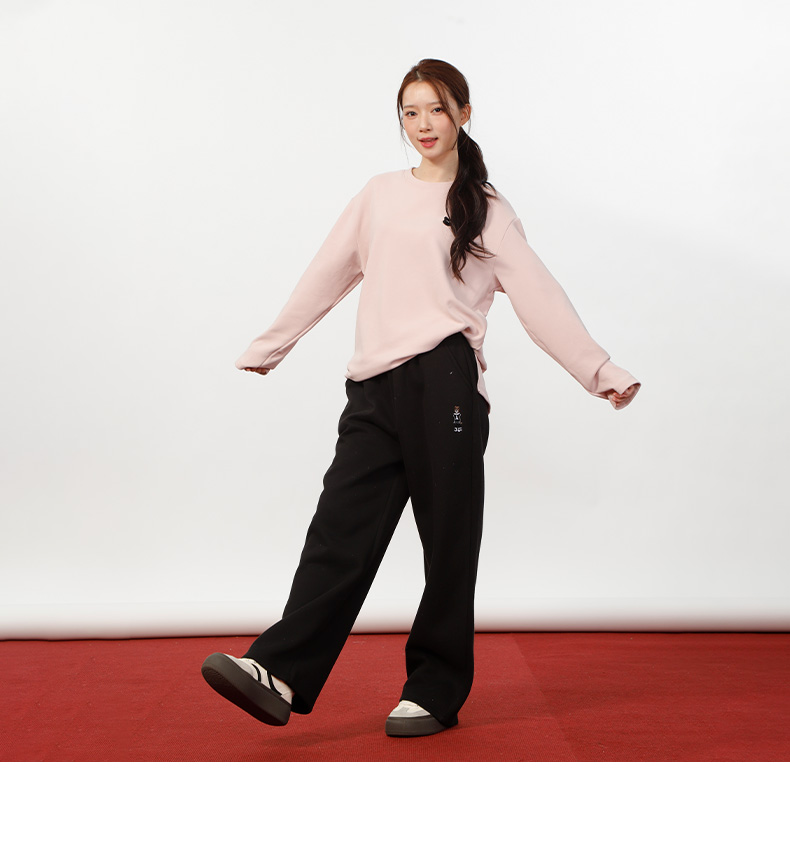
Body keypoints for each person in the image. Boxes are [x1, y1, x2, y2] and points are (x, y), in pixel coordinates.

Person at [201, 58, 641, 738]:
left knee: (447, 541)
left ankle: (435, 689)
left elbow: (539, 297)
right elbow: (327, 272)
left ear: (463, 113)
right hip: (373, 385)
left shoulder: (486, 209)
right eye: (410, 112)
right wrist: (273, 343)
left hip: (445, 381)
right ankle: (279, 670)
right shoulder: (379, 194)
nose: (423, 124)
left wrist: (598, 369)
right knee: (339, 529)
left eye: (436, 108)